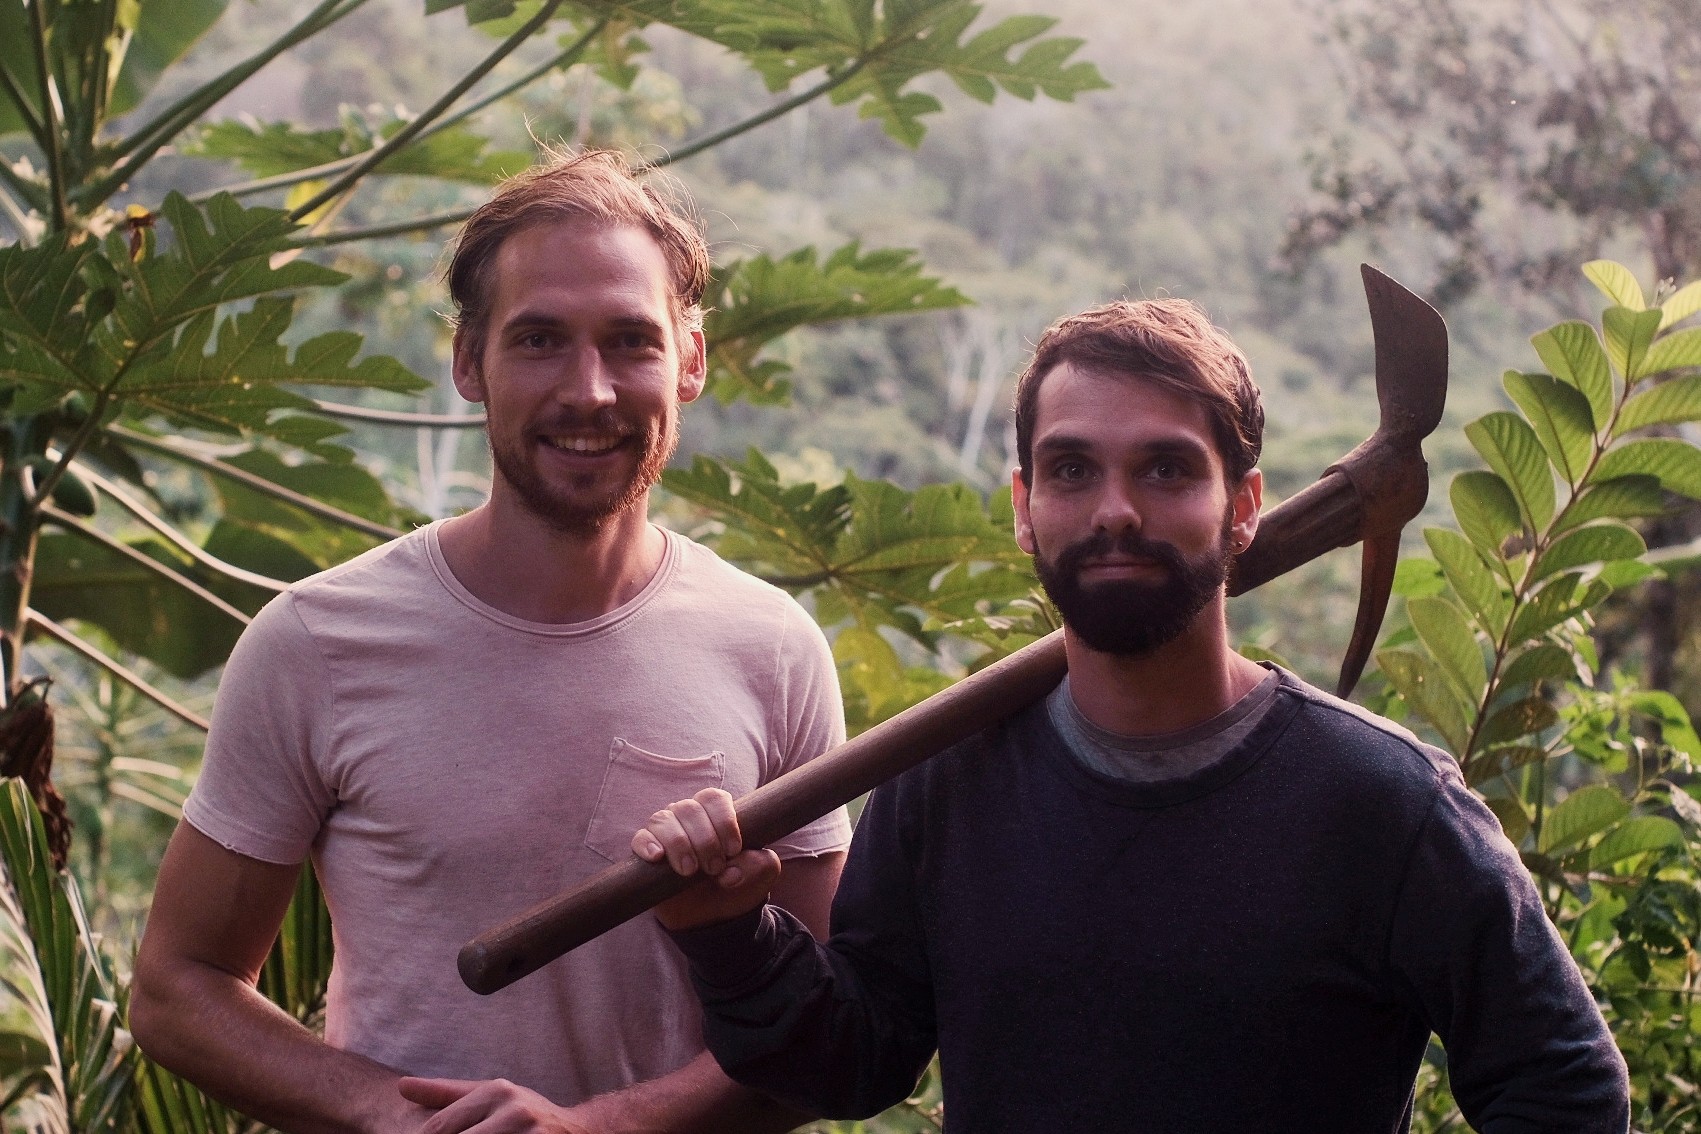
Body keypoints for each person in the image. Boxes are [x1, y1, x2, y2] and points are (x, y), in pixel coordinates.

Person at [635, 299, 1632, 1132]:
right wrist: (733, 937)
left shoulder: (1384, 806)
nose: (1116, 509)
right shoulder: (948, 780)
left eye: (1165, 469)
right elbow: (851, 1065)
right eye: (1073, 470)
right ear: (1025, 506)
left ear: (1242, 506)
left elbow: (1564, 1089)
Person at [129, 149, 851, 1134]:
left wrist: (601, 1129)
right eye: (540, 339)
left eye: (630, 342)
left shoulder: (771, 648)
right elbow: (178, 986)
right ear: (469, 360)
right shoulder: (315, 644)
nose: (590, 392)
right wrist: (393, 1114)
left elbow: (822, 1021)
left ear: (690, 359)